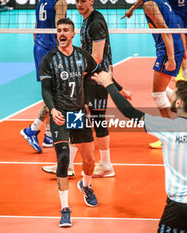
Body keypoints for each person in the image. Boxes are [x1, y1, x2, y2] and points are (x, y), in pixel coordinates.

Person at [92, 61, 187, 232]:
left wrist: (109, 85)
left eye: (173, 97)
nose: (171, 99)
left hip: (180, 205)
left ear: (180, 104)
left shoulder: (168, 129)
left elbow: (130, 113)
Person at [42, 0, 132, 177]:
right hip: (89, 78)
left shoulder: (96, 22)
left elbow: (96, 58)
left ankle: (106, 165)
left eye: (83, 1)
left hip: (96, 79)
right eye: (77, 1)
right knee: (78, 118)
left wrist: (71, 71)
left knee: (97, 120)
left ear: (91, 1)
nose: (79, 4)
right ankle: (68, 164)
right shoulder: (87, 20)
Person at [40, 17, 108, 227]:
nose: (61, 33)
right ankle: (65, 209)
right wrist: (52, 110)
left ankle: (85, 185)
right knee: (62, 159)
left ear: (72, 34)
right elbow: (45, 90)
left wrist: (119, 89)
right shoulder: (49, 59)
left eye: (65, 30)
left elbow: (97, 73)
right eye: (58, 30)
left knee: (89, 161)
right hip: (60, 114)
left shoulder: (82, 56)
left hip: (78, 114)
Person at [122, 0, 185, 149]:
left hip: (168, 49)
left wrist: (170, 58)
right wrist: (132, 8)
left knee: (158, 94)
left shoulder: (149, 5)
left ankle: (169, 135)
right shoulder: (160, 1)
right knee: (162, 90)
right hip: (174, 46)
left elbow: (164, 29)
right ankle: (185, 106)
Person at [122, 0, 187, 82]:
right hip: (175, 12)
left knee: (184, 46)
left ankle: (183, 70)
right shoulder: (151, 4)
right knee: (177, 38)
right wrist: (132, 8)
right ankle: (180, 72)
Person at [21, 0, 67, 153]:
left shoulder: (41, 1)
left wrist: (40, 43)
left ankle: (48, 136)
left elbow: (35, 29)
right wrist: (62, 51)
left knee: (51, 90)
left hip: (39, 47)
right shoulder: (60, 2)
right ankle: (32, 129)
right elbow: (58, 27)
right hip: (50, 48)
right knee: (55, 92)